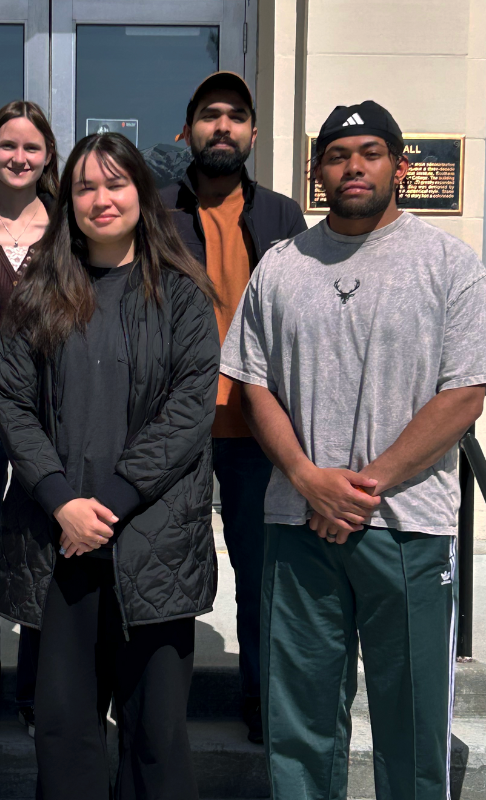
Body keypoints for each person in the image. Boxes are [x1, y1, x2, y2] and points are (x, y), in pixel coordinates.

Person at [220, 100, 486, 799]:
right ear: (317, 174)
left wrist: (358, 489)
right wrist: (309, 480)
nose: (354, 167)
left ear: (399, 165)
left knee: (412, 720)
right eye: (338, 155)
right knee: (299, 721)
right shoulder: (281, 265)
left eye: (369, 152)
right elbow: (254, 386)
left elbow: (463, 394)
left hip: (409, 527)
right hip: (298, 521)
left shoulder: (450, 265)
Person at [0, 132, 221, 800]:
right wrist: (61, 498)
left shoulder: (178, 292)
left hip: (153, 542)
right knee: (64, 734)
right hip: (59, 542)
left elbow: (188, 406)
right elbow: (10, 399)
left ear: (141, 194)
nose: (101, 198)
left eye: (115, 183)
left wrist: (114, 501)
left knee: (157, 739)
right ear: (69, 201)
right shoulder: (37, 292)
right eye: (86, 186)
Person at [160, 71, 307, 744]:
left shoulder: (281, 216)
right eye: (210, 114)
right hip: (174, 424)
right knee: (167, 568)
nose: (223, 126)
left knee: (261, 571)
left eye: (236, 115)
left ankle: (261, 700)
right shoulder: (156, 208)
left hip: (257, 425)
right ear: (189, 127)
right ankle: (158, 704)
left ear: (252, 130)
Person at [0, 100, 58, 737]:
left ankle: (34, 694)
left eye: (31, 147)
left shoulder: (71, 228)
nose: (19, 158)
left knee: (39, 556)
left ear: (48, 155)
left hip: (47, 419)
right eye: (7, 146)